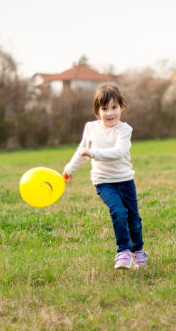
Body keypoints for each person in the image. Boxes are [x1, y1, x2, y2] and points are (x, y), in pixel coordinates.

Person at [62, 84, 147, 270]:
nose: (110, 113)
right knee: (118, 212)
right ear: (97, 110)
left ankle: (138, 250)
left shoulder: (124, 130)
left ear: (122, 107)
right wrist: (69, 170)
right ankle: (123, 251)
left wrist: (92, 153)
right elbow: (81, 152)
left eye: (114, 107)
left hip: (125, 181)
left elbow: (118, 152)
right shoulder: (91, 128)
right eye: (104, 108)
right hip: (104, 182)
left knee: (134, 219)